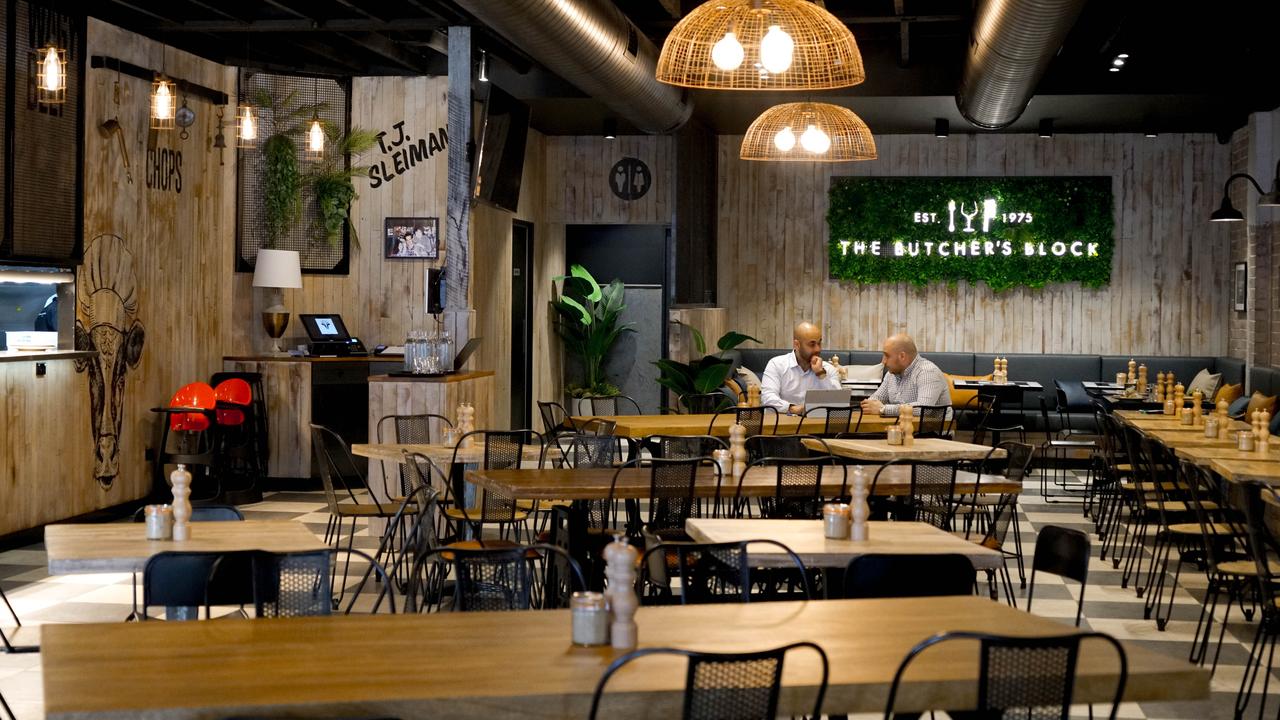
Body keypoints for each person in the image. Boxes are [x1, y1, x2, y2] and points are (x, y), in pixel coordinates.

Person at [760, 322, 842, 415]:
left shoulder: (828, 369)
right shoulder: (777, 364)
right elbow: (767, 398)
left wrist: (821, 374)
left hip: (817, 426)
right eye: (812, 344)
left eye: (819, 343)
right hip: (783, 426)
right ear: (797, 344)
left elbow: (839, 402)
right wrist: (794, 409)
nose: (817, 349)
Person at [861, 334, 950, 416]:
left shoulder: (928, 372)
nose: (883, 362)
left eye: (887, 356)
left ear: (902, 356)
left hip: (931, 431)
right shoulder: (891, 373)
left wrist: (883, 409)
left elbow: (923, 409)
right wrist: (869, 404)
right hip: (901, 428)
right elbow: (878, 397)